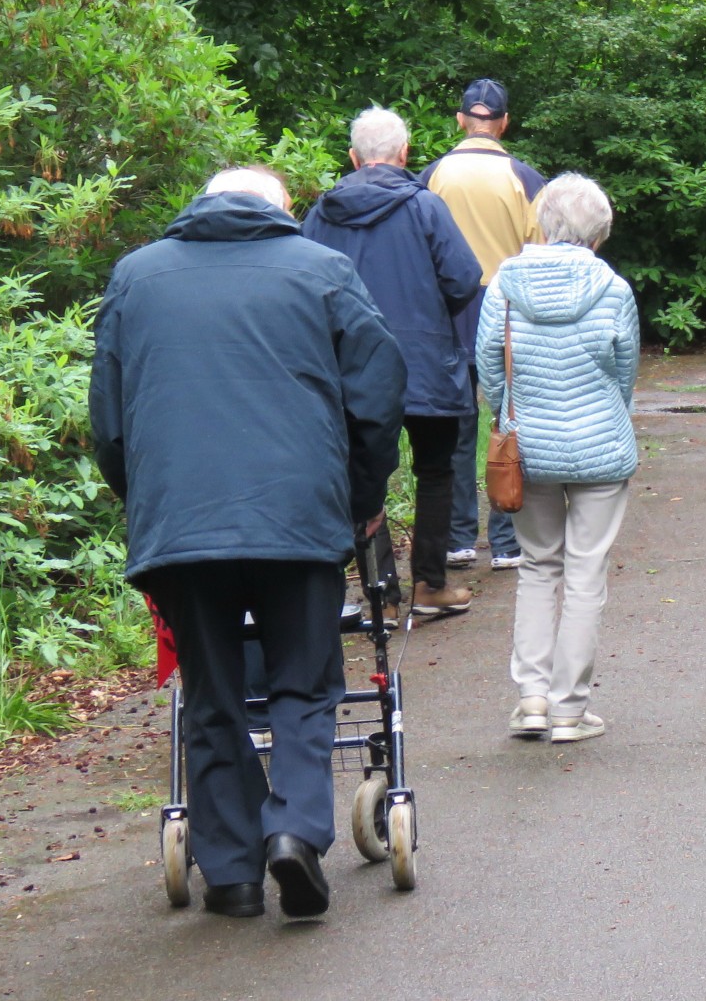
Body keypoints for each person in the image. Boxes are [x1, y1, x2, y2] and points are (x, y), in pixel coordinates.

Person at [89, 166, 406, 920]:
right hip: (297, 520)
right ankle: (293, 830)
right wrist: (361, 498)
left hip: (181, 524)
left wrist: (146, 501)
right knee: (303, 680)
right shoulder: (322, 270)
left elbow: (108, 415)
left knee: (212, 691)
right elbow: (378, 389)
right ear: (279, 211)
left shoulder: (137, 276)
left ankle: (229, 872)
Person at [477, 174, 640, 744]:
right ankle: (571, 709)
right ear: (599, 232)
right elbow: (624, 376)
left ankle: (532, 700)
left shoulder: (502, 286)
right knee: (586, 572)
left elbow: (491, 374)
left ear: (543, 224)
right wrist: (606, 419)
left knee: (537, 566)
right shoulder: (614, 289)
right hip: (600, 447)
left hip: (530, 450)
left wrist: (513, 421)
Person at [303, 107, 481, 620]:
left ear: (354, 158)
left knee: (358, 471)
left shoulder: (319, 214)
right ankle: (430, 585)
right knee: (436, 469)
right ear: (405, 155)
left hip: (349, 366)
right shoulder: (425, 207)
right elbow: (463, 277)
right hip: (424, 360)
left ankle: (377, 590)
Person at [425, 78, 545, 572]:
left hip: (447, 311)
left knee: (455, 424)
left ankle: (456, 538)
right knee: (508, 422)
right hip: (507, 308)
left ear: (460, 121)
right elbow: (540, 251)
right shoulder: (525, 177)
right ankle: (506, 540)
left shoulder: (431, 176)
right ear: (504, 123)